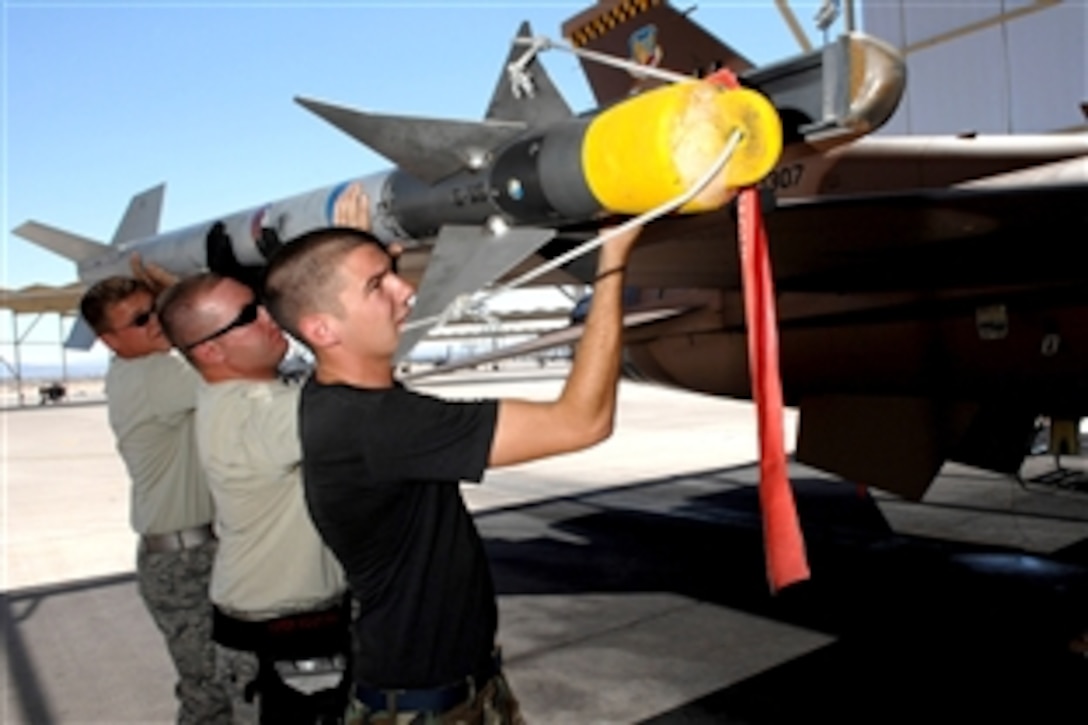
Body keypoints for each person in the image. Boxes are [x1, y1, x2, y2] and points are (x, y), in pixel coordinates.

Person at [262, 221, 644, 724]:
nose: (407, 290)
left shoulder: (339, 399)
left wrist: (351, 258)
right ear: (322, 330)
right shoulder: (381, 426)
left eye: (392, 274)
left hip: (449, 691)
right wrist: (611, 264)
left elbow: (353, 344)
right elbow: (582, 422)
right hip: (429, 708)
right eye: (378, 286)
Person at [157, 272, 352, 724]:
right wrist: (342, 279)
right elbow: (359, 383)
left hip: (269, 619)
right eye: (249, 316)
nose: (270, 317)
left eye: (260, 304)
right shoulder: (260, 416)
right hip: (287, 632)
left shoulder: (237, 391)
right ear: (210, 351)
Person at [80, 274, 232, 725]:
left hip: (192, 550)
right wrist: (196, 291)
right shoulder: (154, 374)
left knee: (221, 685)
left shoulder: (139, 369)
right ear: (110, 341)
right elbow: (235, 363)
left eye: (158, 310)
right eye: (140, 319)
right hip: (187, 561)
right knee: (210, 694)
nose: (156, 324)